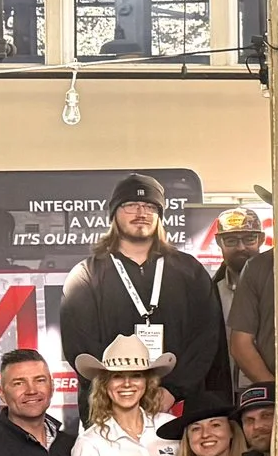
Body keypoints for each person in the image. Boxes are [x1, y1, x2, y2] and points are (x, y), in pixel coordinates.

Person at [59, 174, 228, 414]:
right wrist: (124, 392)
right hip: (112, 408)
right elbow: (80, 346)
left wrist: (172, 390)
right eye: (131, 205)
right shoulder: (87, 275)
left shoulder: (190, 272)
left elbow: (206, 339)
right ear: (114, 214)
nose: (141, 212)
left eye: (150, 206)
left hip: (177, 407)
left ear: (159, 216)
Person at [215, 209, 277, 388]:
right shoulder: (208, 292)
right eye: (231, 240)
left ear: (262, 239)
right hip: (224, 391)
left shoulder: (277, 284)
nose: (241, 247)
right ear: (219, 242)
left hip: (266, 392)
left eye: (249, 239)